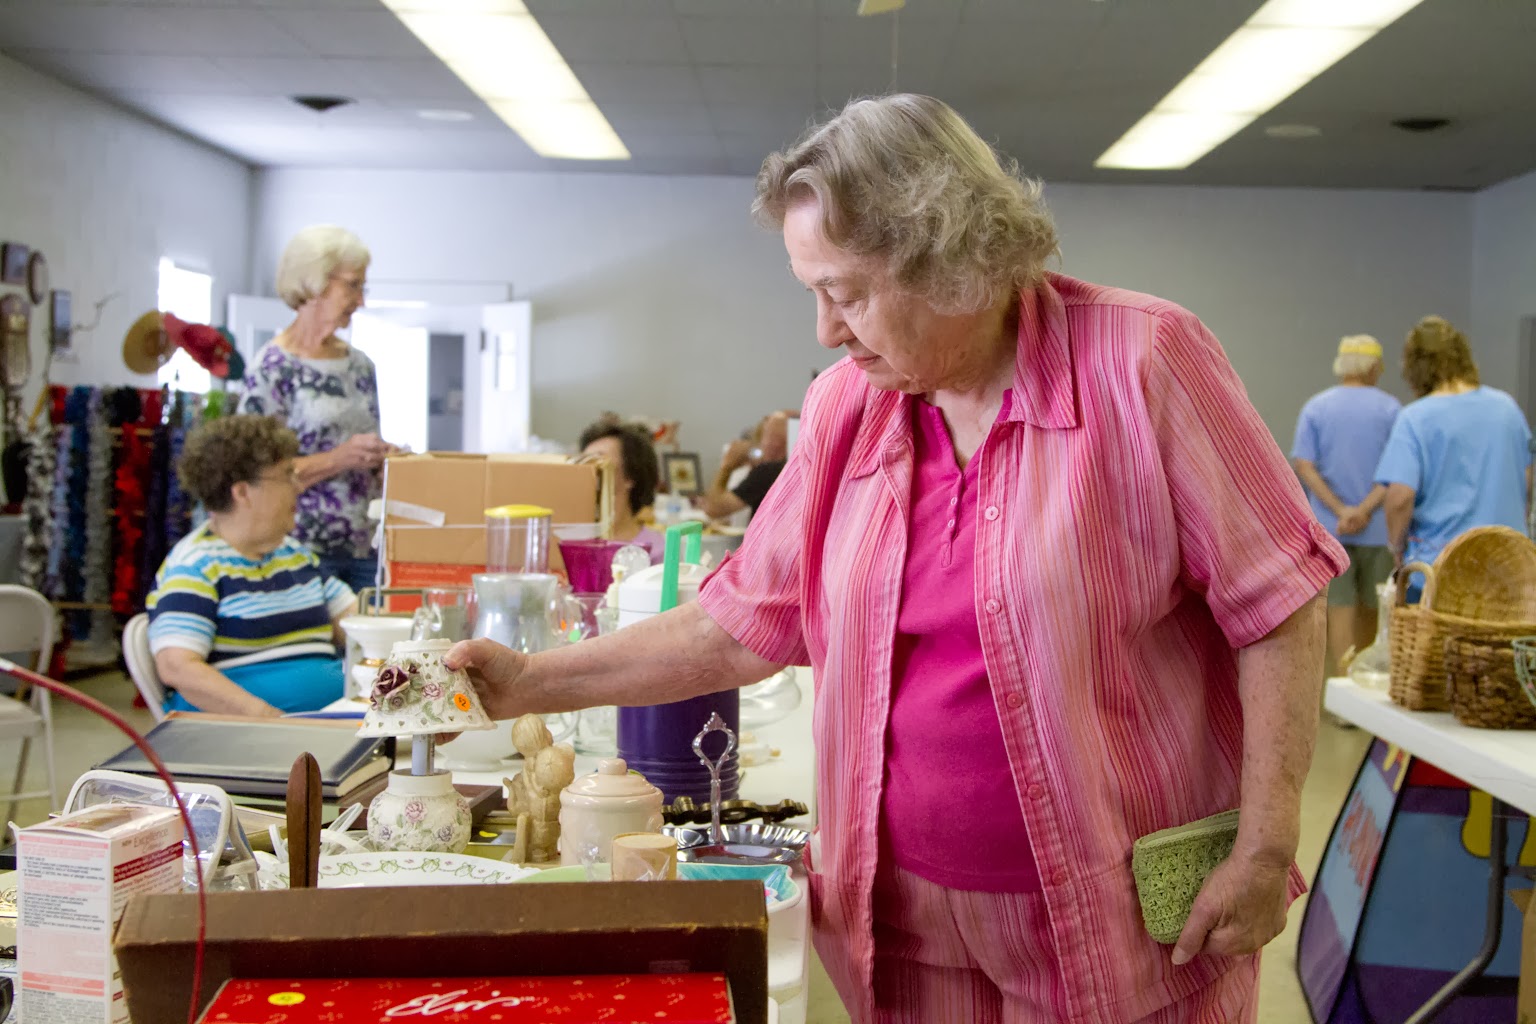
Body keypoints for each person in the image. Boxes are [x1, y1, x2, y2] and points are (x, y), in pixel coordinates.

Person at [447, 95, 1343, 1024]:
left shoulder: (1145, 360)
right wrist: (527, 684)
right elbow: (742, 622)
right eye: (814, 293)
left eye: (849, 292)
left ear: (950, 259)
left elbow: (1277, 599)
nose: (827, 332)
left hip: (1109, 916)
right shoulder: (848, 406)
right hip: (903, 919)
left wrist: (1267, 843)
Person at [146, 416, 356, 716]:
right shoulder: (197, 565)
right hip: (251, 738)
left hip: (321, 727)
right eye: (287, 476)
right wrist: (266, 717)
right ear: (242, 491)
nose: (298, 488)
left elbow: (356, 622)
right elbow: (177, 667)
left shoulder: (294, 554)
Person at [237, 224, 396, 592]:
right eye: (353, 285)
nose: (361, 300)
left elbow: (366, 459)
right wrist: (340, 458)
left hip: (365, 547)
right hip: (300, 548)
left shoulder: (360, 365)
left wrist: (386, 460)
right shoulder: (273, 367)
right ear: (315, 281)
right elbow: (255, 472)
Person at [1375, 316, 1533, 579]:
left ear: (1414, 367)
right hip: (1510, 568)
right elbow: (1526, 480)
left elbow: (1400, 497)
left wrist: (1396, 547)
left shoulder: (1416, 418)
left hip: (1442, 571)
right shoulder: (1507, 409)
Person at [1290, 335, 1401, 677]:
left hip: (1330, 529)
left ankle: (1343, 681)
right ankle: (1366, 683)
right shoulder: (1391, 409)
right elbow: (1398, 469)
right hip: (1379, 529)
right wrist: (1364, 509)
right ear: (1372, 366)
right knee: (1375, 606)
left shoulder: (1316, 407)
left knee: (1337, 607)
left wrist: (1340, 511)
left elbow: (1304, 466)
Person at [579, 419, 666, 564]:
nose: (587, 469)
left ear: (630, 475)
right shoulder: (572, 543)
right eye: (582, 461)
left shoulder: (657, 551)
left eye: (598, 460)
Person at [697, 410, 793, 520]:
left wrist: (727, 466)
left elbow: (713, 508)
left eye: (765, 434)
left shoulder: (768, 472)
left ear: (774, 442)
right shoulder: (791, 472)